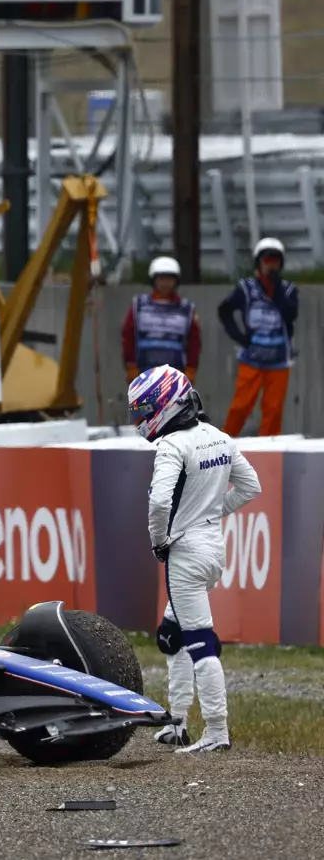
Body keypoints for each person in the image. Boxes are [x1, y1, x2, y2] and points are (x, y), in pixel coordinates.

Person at [127, 364, 261, 753]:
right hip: (213, 550)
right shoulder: (219, 437)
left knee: (200, 643)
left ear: (168, 405)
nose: (142, 419)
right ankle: (177, 721)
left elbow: (157, 502)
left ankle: (217, 732)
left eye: (146, 410)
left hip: (185, 554)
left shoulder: (172, 446)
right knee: (171, 637)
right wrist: (213, 513)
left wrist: (159, 541)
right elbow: (252, 486)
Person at [217, 237, 298, 437]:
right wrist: (239, 336)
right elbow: (224, 310)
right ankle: (222, 445)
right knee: (240, 406)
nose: (271, 265)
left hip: (279, 361)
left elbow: (290, 314)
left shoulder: (288, 289)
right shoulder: (246, 288)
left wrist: (275, 288)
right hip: (251, 359)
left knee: (273, 410)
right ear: (259, 263)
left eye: (275, 261)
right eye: (267, 260)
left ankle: (269, 449)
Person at [120, 256, 201, 384]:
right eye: (161, 279)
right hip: (143, 373)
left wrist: (191, 369)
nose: (165, 283)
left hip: (175, 374)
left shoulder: (187, 309)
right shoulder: (139, 306)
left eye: (169, 279)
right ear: (154, 280)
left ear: (176, 281)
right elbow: (128, 336)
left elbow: (194, 342)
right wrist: (130, 366)